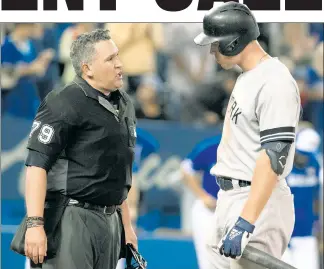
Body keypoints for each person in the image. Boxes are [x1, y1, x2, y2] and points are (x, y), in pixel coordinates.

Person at [194, 2, 301, 269]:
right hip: (232, 197)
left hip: (257, 202)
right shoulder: (249, 76)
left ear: (232, 42)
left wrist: (246, 221)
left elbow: (273, 155)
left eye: (215, 43)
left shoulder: (275, 81)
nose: (211, 50)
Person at [23, 28, 138, 269]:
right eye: (110, 59)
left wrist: (127, 227)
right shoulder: (63, 101)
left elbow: (119, 172)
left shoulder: (124, 103)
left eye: (117, 55)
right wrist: (35, 224)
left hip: (110, 220)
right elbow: (36, 165)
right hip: (71, 217)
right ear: (87, 69)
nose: (119, 64)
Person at [180, 135, 228, 269]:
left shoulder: (248, 148)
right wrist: (202, 196)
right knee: (207, 259)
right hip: (209, 211)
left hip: (235, 211)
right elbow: (185, 169)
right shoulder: (212, 146)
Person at [281, 122, 321, 269]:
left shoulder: (315, 163)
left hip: (306, 231)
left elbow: (317, 199)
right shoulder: (280, 164)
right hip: (282, 231)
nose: (304, 157)